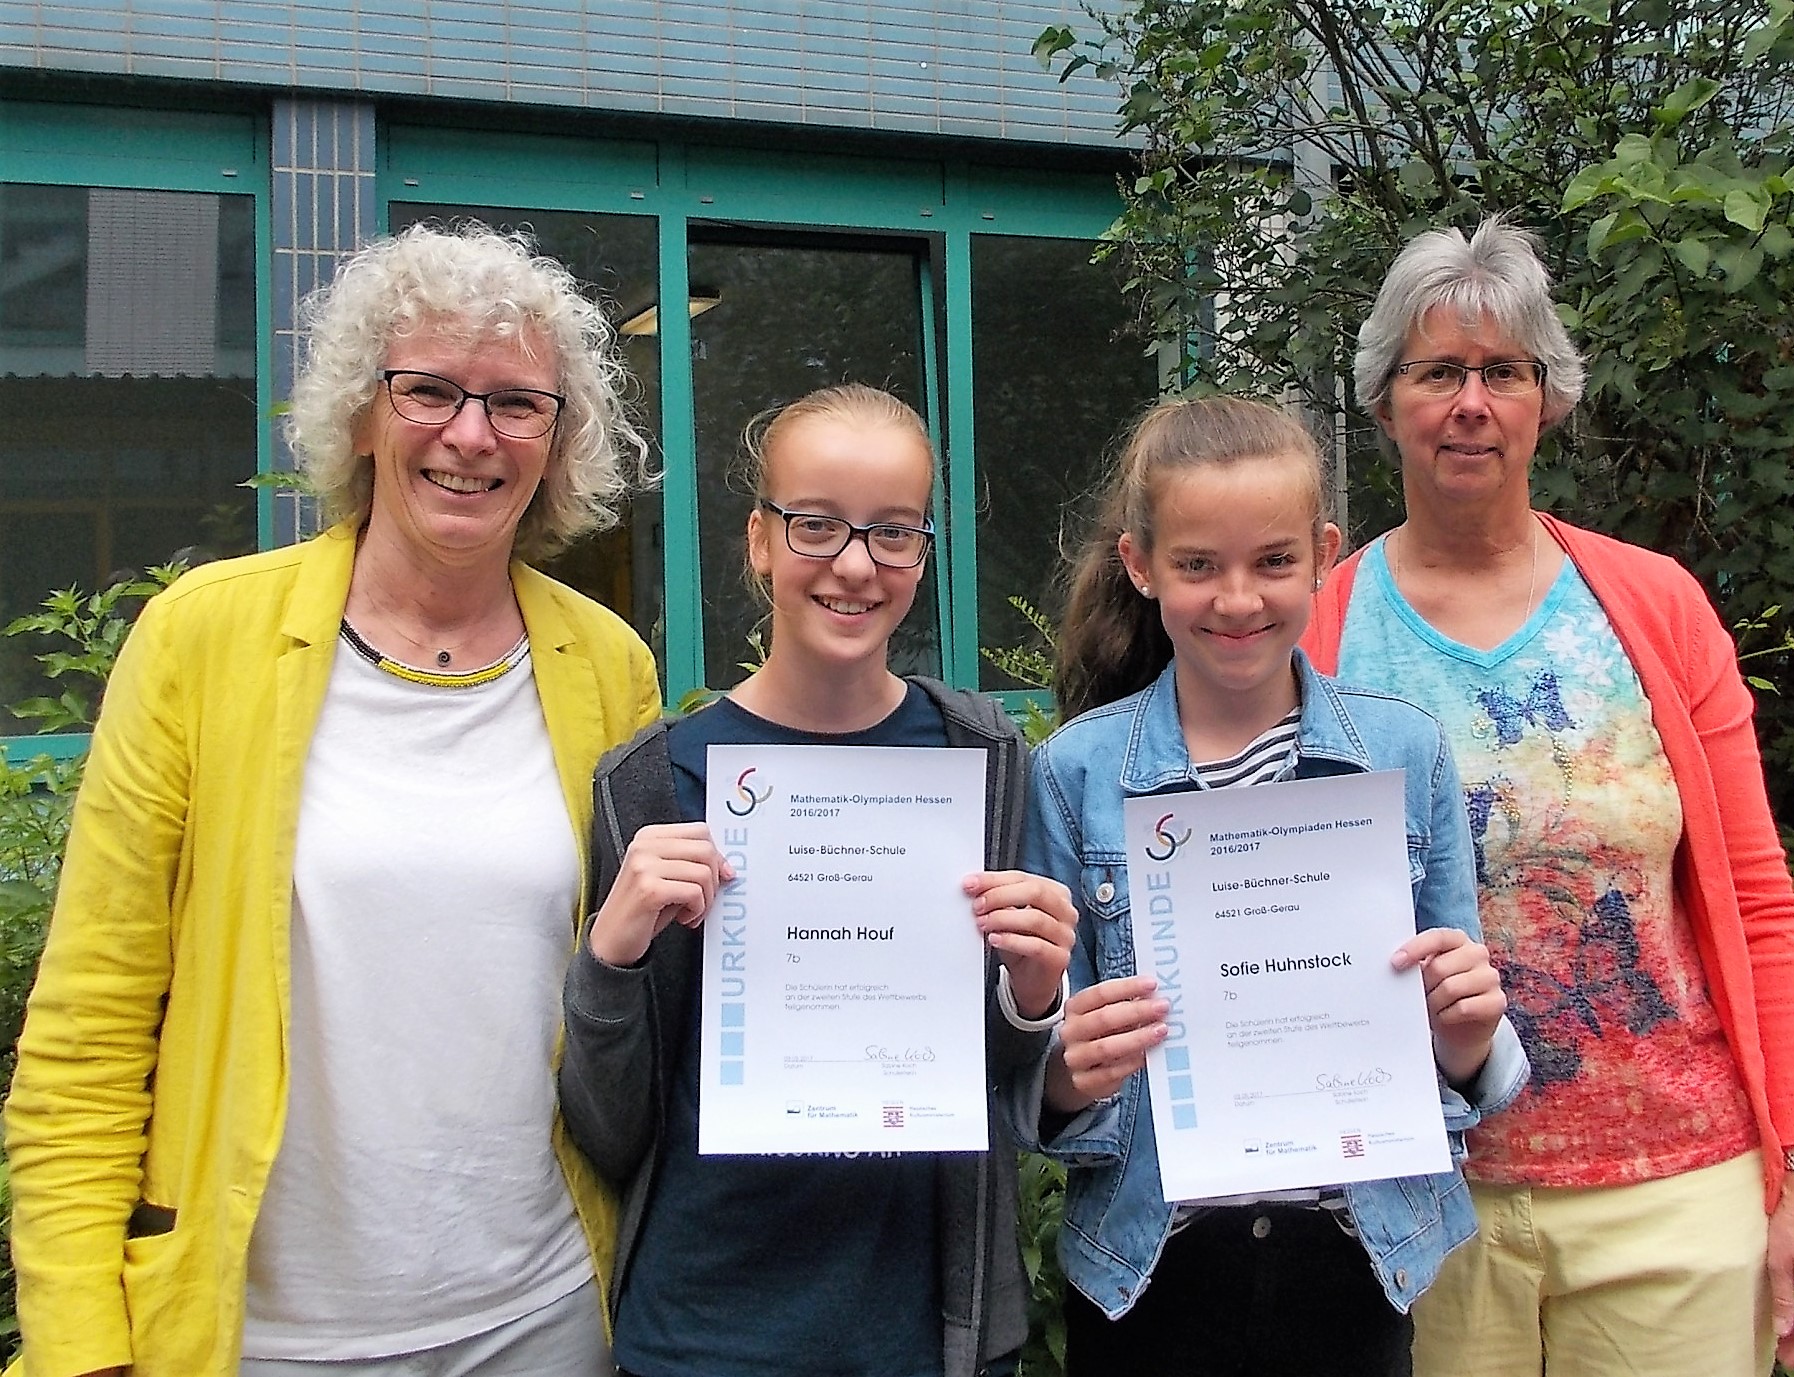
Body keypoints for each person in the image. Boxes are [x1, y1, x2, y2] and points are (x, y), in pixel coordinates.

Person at [4, 223, 662, 1377]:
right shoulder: (203, 638)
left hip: (544, 1311)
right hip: (269, 1335)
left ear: (560, 444)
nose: (471, 434)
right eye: (429, 391)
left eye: (518, 404)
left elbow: (630, 998)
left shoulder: (608, 668)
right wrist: (75, 1337)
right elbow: (90, 1025)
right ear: (362, 414)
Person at [1300, 215, 1794, 1375]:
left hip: (1678, 1200)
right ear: (1385, 397)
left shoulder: (1656, 607)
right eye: (1437, 371)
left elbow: (1756, 898)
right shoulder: (1320, 632)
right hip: (1427, 1206)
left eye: (1504, 371)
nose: (1471, 402)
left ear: (1550, 398)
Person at [556, 382, 1078, 1377]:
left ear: (923, 554)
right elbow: (610, 1127)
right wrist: (613, 956)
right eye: (816, 525)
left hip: (925, 1328)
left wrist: (1033, 991)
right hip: (705, 1329)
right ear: (759, 541)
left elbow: (997, 1071)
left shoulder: (985, 757)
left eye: (892, 533)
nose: (853, 564)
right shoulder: (655, 780)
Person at [1019, 394, 1528, 1376]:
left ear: (1324, 555)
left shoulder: (1404, 752)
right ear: (1141, 565)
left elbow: (1459, 1031)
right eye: (1198, 566)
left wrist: (1466, 1041)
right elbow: (1046, 1067)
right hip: (1150, 1269)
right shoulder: (1078, 773)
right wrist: (1063, 1072)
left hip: (1352, 1259)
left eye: (1273, 562)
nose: (1238, 599)